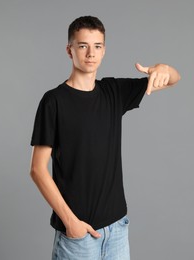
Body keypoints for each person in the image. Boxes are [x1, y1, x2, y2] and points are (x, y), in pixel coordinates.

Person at [30, 15, 181, 260]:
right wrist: (72, 223)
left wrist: (163, 68)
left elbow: (173, 80)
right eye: (83, 46)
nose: (91, 53)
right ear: (70, 51)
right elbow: (37, 169)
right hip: (78, 236)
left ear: (104, 51)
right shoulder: (53, 101)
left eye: (97, 46)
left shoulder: (113, 92)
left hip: (117, 230)